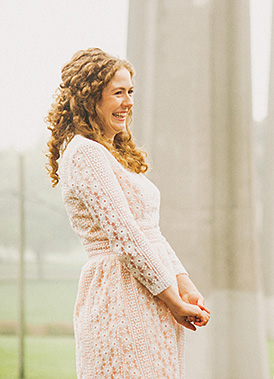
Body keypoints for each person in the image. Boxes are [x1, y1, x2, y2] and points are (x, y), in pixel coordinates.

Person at [46, 48, 210, 378]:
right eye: (118, 93)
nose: (128, 102)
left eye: (130, 92)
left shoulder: (111, 153)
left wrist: (184, 285)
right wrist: (174, 301)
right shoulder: (85, 154)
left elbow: (150, 232)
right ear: (91, 98)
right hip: (120, 294)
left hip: (151, 290)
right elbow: (126, 237)